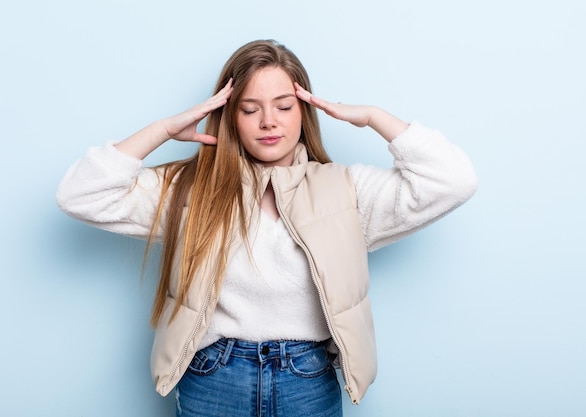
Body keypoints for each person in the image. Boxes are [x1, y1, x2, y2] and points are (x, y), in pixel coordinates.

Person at [56, 39, 477, 417]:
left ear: (305, 111)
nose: (268, 122)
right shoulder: (191, 190)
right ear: (228, 114)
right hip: (213, 376)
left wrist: (372, 117)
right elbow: (79, 194)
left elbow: (453, 181)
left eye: (284, 105)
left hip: (307, 381)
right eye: (250, 108)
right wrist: (163, 130)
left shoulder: (345, 190)